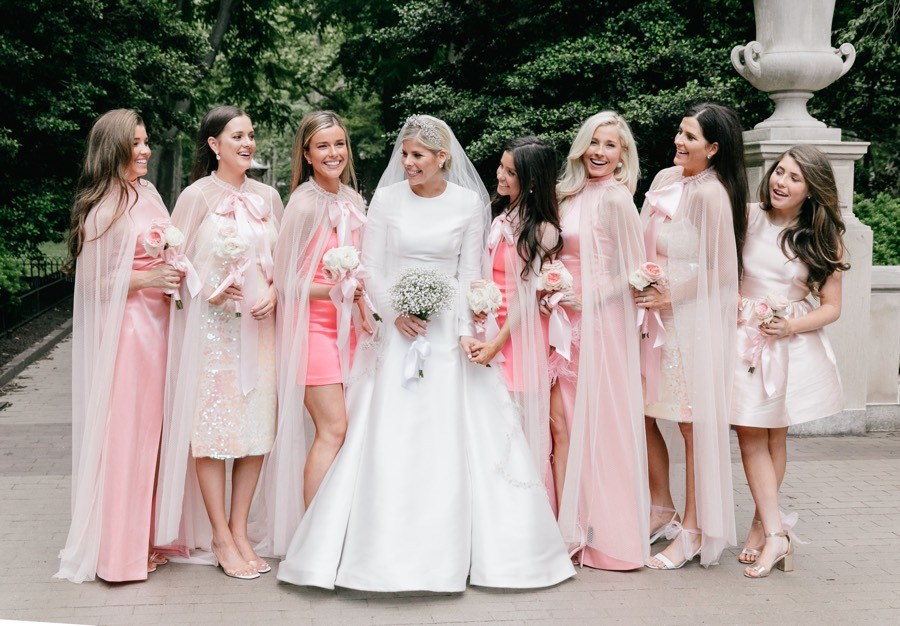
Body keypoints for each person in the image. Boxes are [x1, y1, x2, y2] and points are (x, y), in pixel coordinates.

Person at [276, 114, 575, 592]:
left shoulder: (467, 205)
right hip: (397, 333)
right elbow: (372, 266)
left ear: (442, 159)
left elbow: (469, 272)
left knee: (455, 434)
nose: (408, 162)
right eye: (406, 154)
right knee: (383, 432)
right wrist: (395, 311)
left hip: (446, 338)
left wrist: (461, 329)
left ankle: (473, 552)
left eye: (418, 155)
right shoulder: (387, 199)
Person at [155, 106, 283, 580]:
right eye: (237, 137)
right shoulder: (195, 197)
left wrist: (273, 289)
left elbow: (283, 264)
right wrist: (209, 286)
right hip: (211, 336)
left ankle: (241, 528)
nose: (247, 143)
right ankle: (219, 536)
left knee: (255, 433)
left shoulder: (269, 197)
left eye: (250, 135)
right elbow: (174, 263)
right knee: (210, 433)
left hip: (260, 330)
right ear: (214, 145)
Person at [56, 109, 183, 582]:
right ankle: (118, 555)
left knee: (154, 435)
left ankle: (147, 538)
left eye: (147, 141)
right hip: (129, 335)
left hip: (161, 325)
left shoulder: (147, 193)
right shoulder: (104, 205)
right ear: (113, 149)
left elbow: (168, 248)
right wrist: (146, 277)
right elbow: (90, 283)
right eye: (136, 143)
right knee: (126, 436)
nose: (146, 150)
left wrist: (177, 269)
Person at [252, 111, 369, 558]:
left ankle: (339, 526)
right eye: (322, 146)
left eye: (339, 144)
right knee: (332, 428)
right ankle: (315, 538)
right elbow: (287, 282)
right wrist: (337, 288)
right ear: (307, 153)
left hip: (351, 332)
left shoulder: (355, 201)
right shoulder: (302, 204)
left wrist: (363, 301)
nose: (333, 153)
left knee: (350, 428)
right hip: (313, 331)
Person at [635, 102, 747, 569]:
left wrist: (670, 297)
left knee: (690, 424)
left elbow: (723, 271)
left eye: (691, 137)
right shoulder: (664, 179)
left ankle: (696, 530)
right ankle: (662, 507)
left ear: (714, 148)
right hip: (650, 317)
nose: (679, 142)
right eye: (680, 133)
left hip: (690, 321)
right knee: (642, 412)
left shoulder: (712, 195)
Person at [731, 145, 847, 578]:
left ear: (811, 189)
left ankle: (769, 529)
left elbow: (831, 307)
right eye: (779, 172)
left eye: (794, 178)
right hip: (741, 335)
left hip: (784, 340)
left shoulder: (820, 235)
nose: (781, 182)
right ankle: (771, 527)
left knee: (770, 437)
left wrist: (788, 327)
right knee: (750, 433)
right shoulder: (748, 215)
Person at [552, 111, 650, 570]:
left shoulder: (617, 200)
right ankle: (570, 524)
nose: (599, 152)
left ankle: (605, 533)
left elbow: (634, 275)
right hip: (559, 323)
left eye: (609, 145)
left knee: (599, 423)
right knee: (565, 426)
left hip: (599, 323)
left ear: (622, 154)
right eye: (593, 142)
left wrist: (584, 298)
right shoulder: (566, 195)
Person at [468, 136, 562, 507]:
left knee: (521, 431)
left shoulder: (542, 230)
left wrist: (497, 343)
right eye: (501, 167)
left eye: (511, 171)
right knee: (494, 429)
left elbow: (527, 298)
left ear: (532, 180)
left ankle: (531, 515)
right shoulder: (501, 217)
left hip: (520, 339)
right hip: (492, 332)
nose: (500, 175)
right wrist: (479, 305)